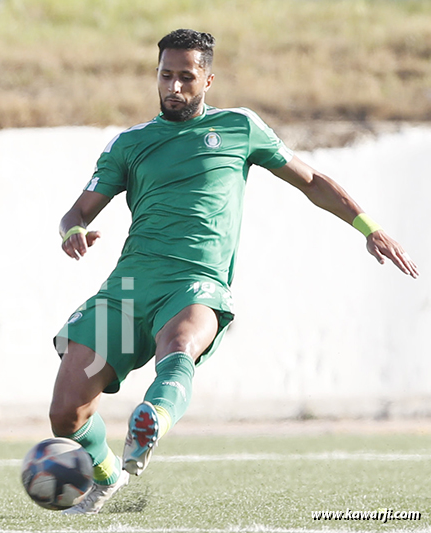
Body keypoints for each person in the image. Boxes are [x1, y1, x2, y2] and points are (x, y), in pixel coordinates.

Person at [49, 29, 420, 515]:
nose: (175, 87)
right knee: (66, 410)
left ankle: (152, 418)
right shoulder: (130, 143)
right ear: (156, 76)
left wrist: (367, 226)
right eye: (167, 76)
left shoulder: (240, 128)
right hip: (130, 285)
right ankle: (107, 474)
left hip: (195, 282)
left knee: (179, 345)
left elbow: (312, 181)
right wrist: (71, 233)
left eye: (187, 77)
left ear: (208, 79)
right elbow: (76, 213)